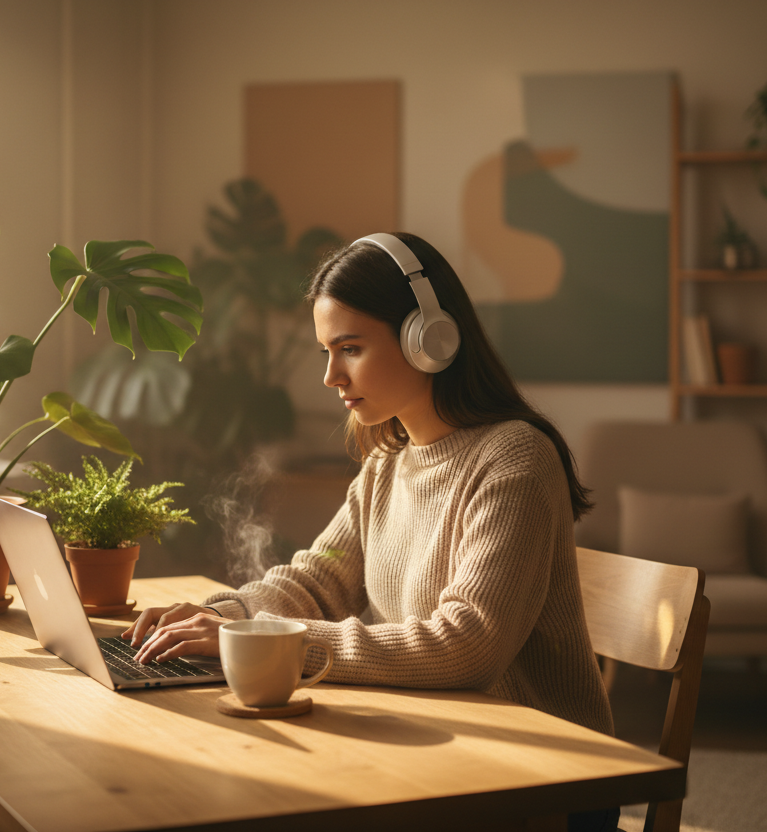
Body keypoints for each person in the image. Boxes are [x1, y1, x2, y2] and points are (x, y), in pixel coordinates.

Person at [125, 230, 613, 740]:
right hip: (437, 736)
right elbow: (320, 582)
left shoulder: (515, 460)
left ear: (429, 339)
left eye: (350, 348)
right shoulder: (388, 461)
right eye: (326, 352)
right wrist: (225, 617)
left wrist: (271, 640)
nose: (331, 375)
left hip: (546, 772)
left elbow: (467, 646)